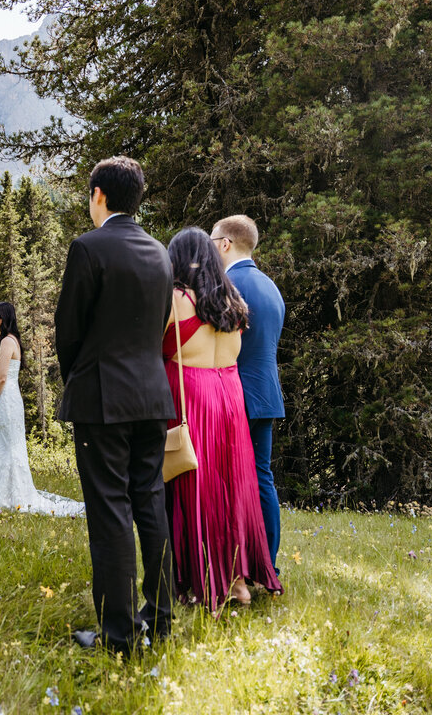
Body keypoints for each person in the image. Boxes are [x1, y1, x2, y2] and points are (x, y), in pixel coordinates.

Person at [55, 156, 176, 654]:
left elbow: (69, 330)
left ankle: (119, 634)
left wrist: (78, 381)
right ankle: (161, 617)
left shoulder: (88, 248)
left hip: (103, 398)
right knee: (151, 503)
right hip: (152, 396)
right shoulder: (160, 252)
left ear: (99, 195)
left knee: (110, 512)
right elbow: (160, 322)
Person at [163, 227, 283, 610]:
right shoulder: (233, 301)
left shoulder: (178, 299)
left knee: (195, 490)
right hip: (230, 398)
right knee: (232, 491)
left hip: (193, 396)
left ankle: (198, 581)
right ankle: (237, 582)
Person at [211, 215, 285, 572]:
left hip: (235, 394)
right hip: (267, 394)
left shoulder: (226, 285)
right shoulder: (271, 287)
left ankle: (236, 564)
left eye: (212, 242)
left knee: (227, 482)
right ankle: (267, 564)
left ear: (225, 243)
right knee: (262, 479)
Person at [0, 302, 84, 517]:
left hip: (6, 398)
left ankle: (15, 497)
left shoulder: (7, 342)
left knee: (10, 448)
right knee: (8, 447)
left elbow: (1, 378)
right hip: (9, 398)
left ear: (2, 318)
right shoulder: (10, 340)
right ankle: (10, 496)